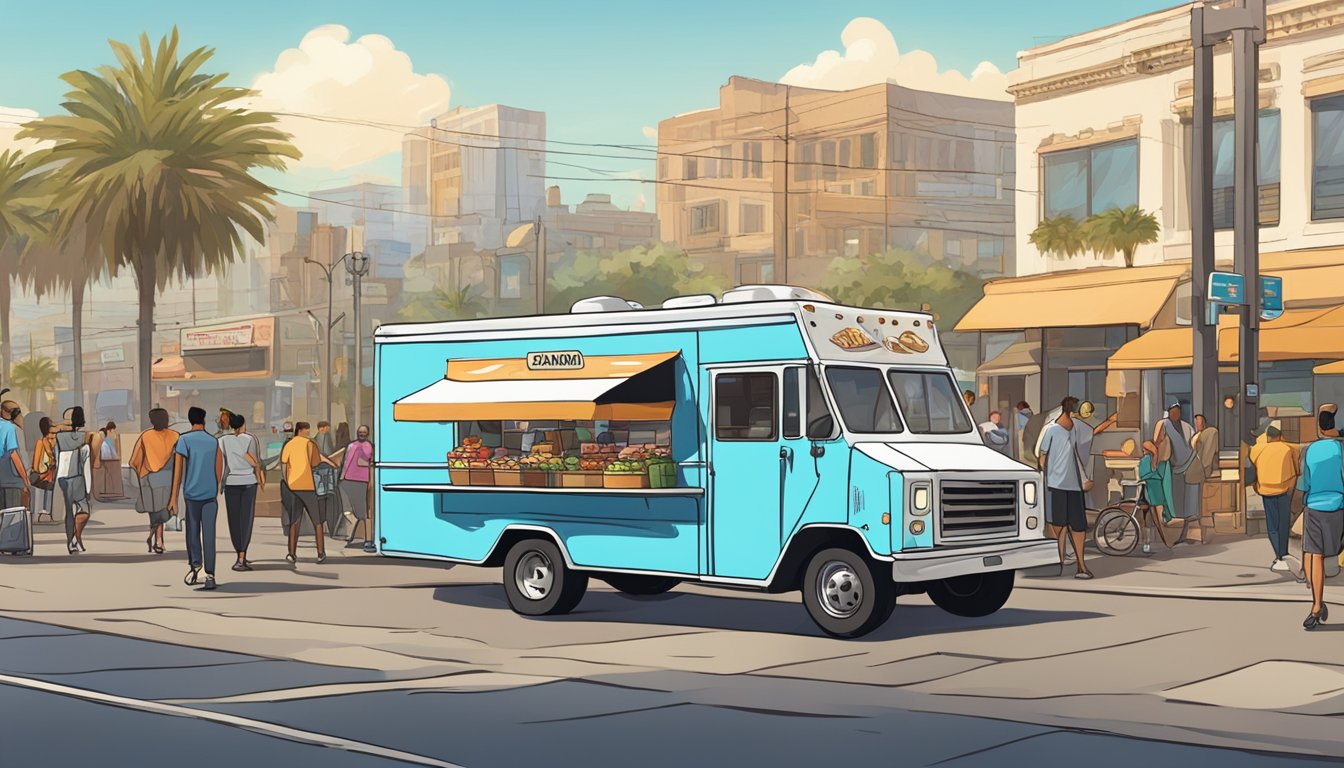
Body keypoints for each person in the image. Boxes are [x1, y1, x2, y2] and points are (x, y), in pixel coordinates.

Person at [1038, 396, 1094, 579]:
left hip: (1074, 486)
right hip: (1056, 485)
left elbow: (1075, 454)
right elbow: (1042, 457)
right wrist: (1044, 479)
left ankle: (1081, 566)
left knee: (1078, 527)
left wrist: (1084, 477)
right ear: (1071, 411)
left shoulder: (1074, 429)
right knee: (1058, 525)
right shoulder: (1052, 430)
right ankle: (1057, 563)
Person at [1298, 405, 1344, 630]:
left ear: (1319, 427)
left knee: (1315, 555)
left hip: (1314, 507)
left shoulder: (1309, 450)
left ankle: (1316, 606)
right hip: (1339, 507)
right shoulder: (1341, 450)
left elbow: (1304, 483)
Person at [168, 406, 223, 591]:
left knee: (192, 533)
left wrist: (173, 498)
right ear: (204, 420)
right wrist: (215, 488)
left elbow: (178, 472)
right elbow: (218, 470)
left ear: (190, 420)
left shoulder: (183, 440)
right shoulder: (213, 441)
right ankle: (210, 575)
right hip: (210, 495)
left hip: (191, 494)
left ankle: (195, 567)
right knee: (209, 535)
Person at [281, 421, 338, 565]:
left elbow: (284, 464)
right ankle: (320, 552)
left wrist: (288, 481)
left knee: (295, 520)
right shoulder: (310, 444)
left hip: (293, 486)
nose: (308, 432)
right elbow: (315, 463)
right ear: (300, 430)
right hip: (308, 486)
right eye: (306, 430)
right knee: (317, 520)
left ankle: (291, 553)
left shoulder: (289, 444)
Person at [1249, 425, 1301, 575]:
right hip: (1284, 490)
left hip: (1266, 490)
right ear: (1280, 435)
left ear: (1268, 437)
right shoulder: (1287, 448)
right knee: (1283, 524)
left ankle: (1279, 557)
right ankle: (1283, 553)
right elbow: (1297, 467)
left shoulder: (1259, 449)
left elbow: (1252, 456)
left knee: (1272, 526)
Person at [130, 409, 179, 555]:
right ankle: (158, 540)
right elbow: (180, 459)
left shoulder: (146, 436)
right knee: (164, 511)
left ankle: (156, 538)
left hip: (151, 479)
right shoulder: (175, 436)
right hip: (170, 479)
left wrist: (144, 471)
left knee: (154, 511)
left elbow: (134, 461)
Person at [220, 412, 264, 572]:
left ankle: (238, 552)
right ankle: (242, 556)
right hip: (248, 482)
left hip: (231, 482)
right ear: (243, 425)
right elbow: (255, 460)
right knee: (246, 520)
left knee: (234, 520)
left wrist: (221, 483)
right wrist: (259, 475)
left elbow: (222, 464)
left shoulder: (222, 441)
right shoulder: (249, 439)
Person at [1154, 403, 1199, 544]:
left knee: (1189, 504)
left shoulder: (1186, 427)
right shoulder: (1164, 424)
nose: (1176, 414)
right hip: (1172, 469)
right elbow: (1158, 442)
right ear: (1169, 412)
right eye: (1173, 411)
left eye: (1178, 411)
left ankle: (1187, 534)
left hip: (1190, 465)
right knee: (1175, 502)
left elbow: (1193, 444)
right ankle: (1176, 535)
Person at [53, 407, 92, 554]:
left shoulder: (59, 438)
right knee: (85, 508)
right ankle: (76, 536)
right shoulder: (84, 438)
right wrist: (88, 488)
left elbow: (56, 460)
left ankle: (70, 541)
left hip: (63, 477)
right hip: (77, 476)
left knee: (69, 511)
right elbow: (86, 463)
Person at [340, 424, 374, 548]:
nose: (362, 434)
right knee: (345, 501)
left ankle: (368, 539)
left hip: (362, 480)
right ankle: (352, 523)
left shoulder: (368, 446)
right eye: (360, 432)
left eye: (364, 432)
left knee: (363, 511)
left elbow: (367, 456)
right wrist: (342, 475)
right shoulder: (351, 445)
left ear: (368, 433)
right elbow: (346, 460)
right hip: (348, 478)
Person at [1137, 440, 1173, 552]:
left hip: (1147, 490)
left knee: (1146, 518)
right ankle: (1164, 539)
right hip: (1157, 491)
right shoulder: (1162, 462)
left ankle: (1146, 542)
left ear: (1146, 450)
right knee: (1159, 517)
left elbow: (1142, 476)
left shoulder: (1144, 461)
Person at [0, 400, 29, 510]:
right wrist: (25, 480)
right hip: (12, 481)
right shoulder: (11, 428)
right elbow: (16, 456)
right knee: (12, 519)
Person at [92, 422, 125, 501]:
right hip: (108, 463)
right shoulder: (106, 443)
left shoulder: (108, 441)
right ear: (110, 430)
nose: (115, 433)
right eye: (114, 431)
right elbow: (110, 456)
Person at [31, 417, 55, 521]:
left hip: (50, 474)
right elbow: (36, 466)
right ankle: (42, 511)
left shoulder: (53, 443)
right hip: (41, 475)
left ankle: (48, 511)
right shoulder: (40, 443)